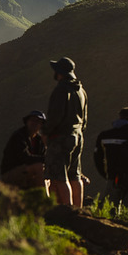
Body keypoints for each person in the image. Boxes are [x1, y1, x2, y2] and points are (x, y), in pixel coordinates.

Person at [43, 56, 88, 207]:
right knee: (75, 175)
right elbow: (85, 119)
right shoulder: (81, 90)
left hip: (61, 137)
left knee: (59, 177)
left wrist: (46, 132)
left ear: (60, 73)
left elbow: (55, 116)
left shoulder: (61, 90)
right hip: (78, 136)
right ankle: (78, 210)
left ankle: (67, 212)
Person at [0, 110, 47, 189]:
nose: (34, 123)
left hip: (28, 172)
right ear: (27, 122)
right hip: (11, 173)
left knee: (49, 172)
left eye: (38, 121)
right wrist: (47, 159)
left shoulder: (39, 140)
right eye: (32, 120)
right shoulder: (19, 136)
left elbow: (43, 157)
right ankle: (44, 199)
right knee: (39, 167)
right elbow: (25, 158)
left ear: (41, 125)